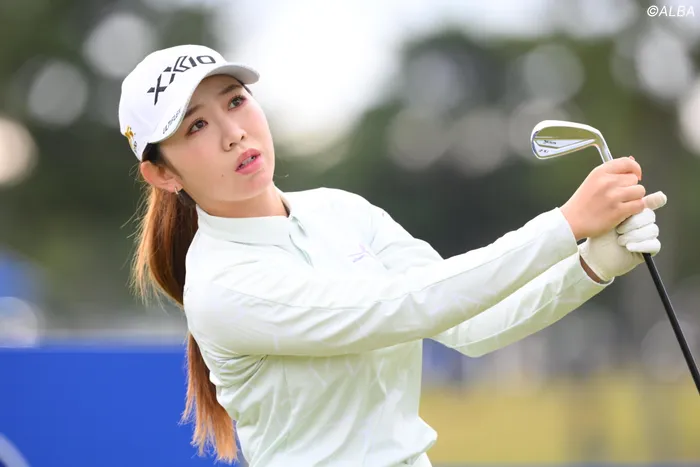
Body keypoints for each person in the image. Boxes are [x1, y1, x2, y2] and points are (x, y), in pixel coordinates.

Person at [118, 44, 667, 467]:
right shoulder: (222, 285)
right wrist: (565, 224)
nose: (234, 133)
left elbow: (471, 326)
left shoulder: (340, 210)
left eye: (236, 101)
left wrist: (592, 265)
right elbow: (400, 306)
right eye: (196, 125)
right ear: (162, 173)